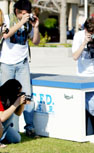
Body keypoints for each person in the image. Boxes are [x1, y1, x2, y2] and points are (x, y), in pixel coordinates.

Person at [0, 0, 40, 138]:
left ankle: (30, 128)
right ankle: (6, 130)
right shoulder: (6, 19)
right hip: (6, 63)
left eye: (27, 13)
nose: (25, 16)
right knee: (5, 98)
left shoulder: (29, 22)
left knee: (27, 97)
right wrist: (21, 22)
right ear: (16, 11)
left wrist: (35, 27)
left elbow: (35, 41)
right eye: (22, 13)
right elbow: (5, 35)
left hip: (22, 64)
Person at [0, 79, 27, 146]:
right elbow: (2, 117)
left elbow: (18, 113)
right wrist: (16, 103)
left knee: (16, 138)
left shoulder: (10, 98)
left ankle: (2, 137)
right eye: (18, 93)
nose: (19, 95)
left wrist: (22, 103)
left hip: (3, 126)